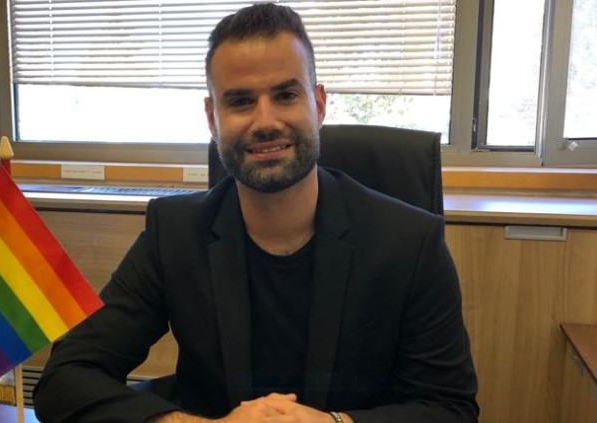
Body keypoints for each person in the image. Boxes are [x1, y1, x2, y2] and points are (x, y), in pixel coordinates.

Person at [33, 3, 478, 423]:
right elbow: (63, 379)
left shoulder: (410, 242)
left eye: (286, 94)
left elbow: (450, 409)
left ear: (319, 104)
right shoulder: (174, 233)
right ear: (212, 118)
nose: (265, 121)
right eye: (240, 101)